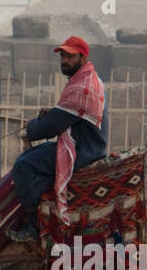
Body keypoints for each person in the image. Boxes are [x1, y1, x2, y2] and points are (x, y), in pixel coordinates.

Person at [8, 37, 108, 242]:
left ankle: (34, 227)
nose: (64, 60)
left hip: (84, 150)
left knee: (23, 166)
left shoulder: (83, 86)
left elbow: (53, 125)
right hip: (84, 143)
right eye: (62, 56)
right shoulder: (85, 78)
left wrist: (33, 128)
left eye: (70, 56)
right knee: (33, 158)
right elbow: (66, 114)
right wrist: (51, 115)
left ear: (83, 56)